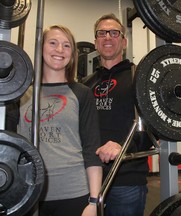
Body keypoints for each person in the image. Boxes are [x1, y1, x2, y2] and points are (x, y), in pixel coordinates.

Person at [14, 25, 102, 216]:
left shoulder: (82, 93)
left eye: (66, 45)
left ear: (72, 54)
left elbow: (91, 148)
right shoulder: (22, 93)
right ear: (41, 48)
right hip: (30, 192)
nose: (59, 50)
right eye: (53, 43)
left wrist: (94, 201)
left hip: (74, 192)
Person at [82, 14, 153, 216]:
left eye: (114, 33)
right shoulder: (86, 83)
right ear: (96, 41)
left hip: (126, 179)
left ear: (124, 41)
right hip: (89, 178)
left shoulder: (139, 77)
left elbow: (152, 127)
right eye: (102, 33)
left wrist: (122, 147)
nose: (107, 37)